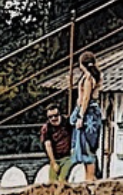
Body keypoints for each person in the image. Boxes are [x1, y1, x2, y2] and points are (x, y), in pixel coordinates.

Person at [71, 50, 105, 182]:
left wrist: (80, 116)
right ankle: (88, 176)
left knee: (87, 147)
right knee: (88, 148)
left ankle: (90, 178)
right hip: (92, 113)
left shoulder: (88, 79)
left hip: (87, 114)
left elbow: (86, 98)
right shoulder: (95, 76)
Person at [40, 104, 74, 182]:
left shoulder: (67, 123)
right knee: (52, 182)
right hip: (55, 158)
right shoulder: (47, 128)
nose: (54, 118)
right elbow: (48, 145)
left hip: (68, 157)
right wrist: (53, 162)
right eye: (50, 117)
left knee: (62, 179)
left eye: (56, 115)